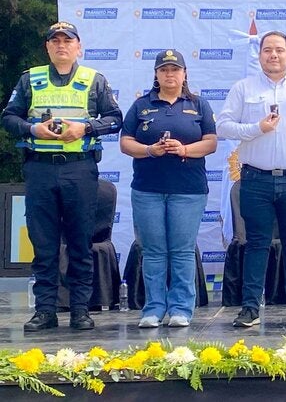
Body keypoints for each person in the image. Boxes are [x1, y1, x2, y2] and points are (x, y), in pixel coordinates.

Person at [1, 21, 123, 331]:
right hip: (40, 168)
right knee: (43, 244)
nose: (61, 45)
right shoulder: (30, 79)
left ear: (78, 47)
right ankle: (45, 310)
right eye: (54, 41)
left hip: (79, 168)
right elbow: (8, 117)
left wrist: (86, 128)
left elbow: (115, 119)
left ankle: (80, 309)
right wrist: (32, 129)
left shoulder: (94, 80)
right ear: (47, 47)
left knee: (80, 242)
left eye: (67, 41)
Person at [217, 31, 286, 328]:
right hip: (255, 179)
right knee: (256, 243)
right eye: (268, 50)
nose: (273, 55)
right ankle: (250, 308)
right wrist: (256, 128)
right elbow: (223, 127)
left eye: (279, 50)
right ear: (260, 55)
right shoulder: (243, 88)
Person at [120, 50, 217, 328]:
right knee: (153, 251)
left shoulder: (198, 105)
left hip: (188, 190)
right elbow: (125, 142)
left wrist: (184, 149)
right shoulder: (141, 105)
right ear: (156, 74)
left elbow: (211, 142)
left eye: (175, 69)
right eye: (164, 70)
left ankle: (181, 309)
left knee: (182, 251)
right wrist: (150, 150)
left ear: (184, 74)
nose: (170, 74)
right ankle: (153, 308)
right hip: (147, 190)